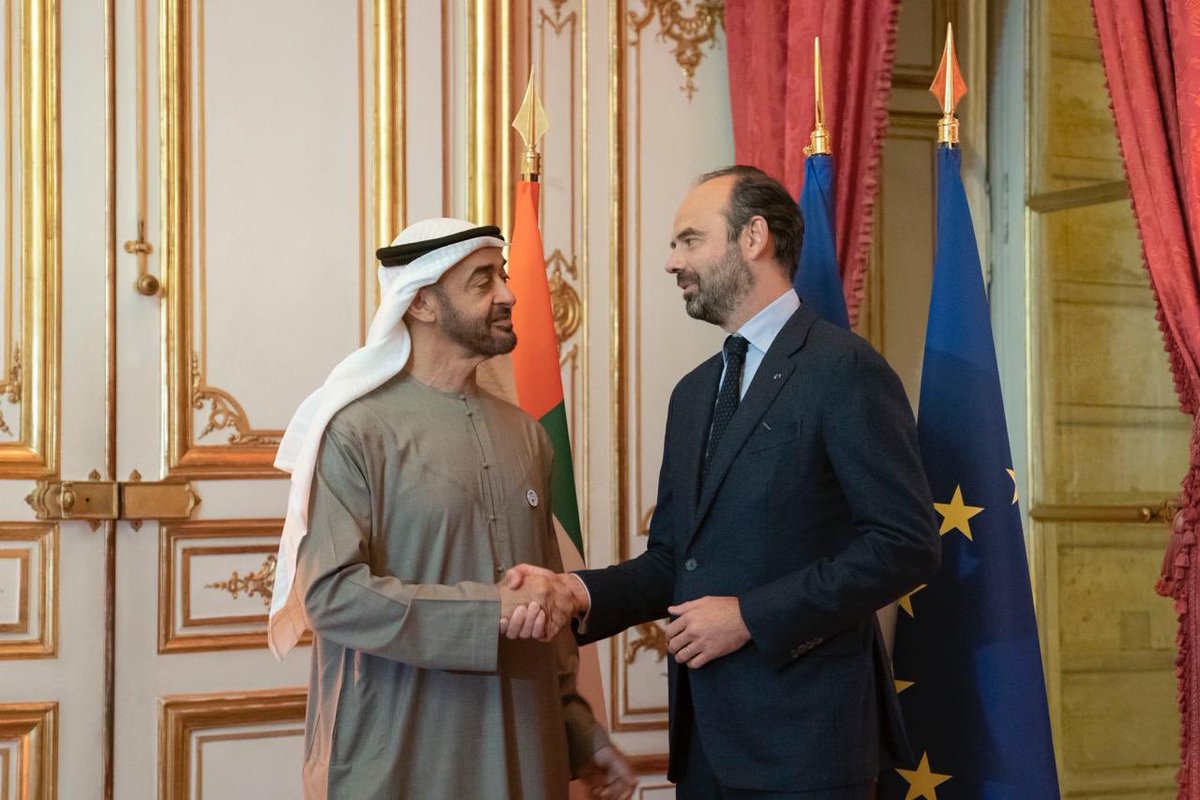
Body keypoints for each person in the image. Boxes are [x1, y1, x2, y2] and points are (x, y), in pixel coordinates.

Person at [508, 166, 940, 799]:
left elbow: (905, 544)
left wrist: (749, 617)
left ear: (753, 237)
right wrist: (575, 591)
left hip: (809, 746)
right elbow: (674, 561)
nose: (671, 262)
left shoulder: (844, 369)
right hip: (706, 746)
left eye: (689, 240)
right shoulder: (693, 395)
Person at [267, 218, 636, 800]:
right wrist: (488, 611)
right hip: (400, 750)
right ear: (421, 304)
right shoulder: (352, 430)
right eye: (483, 281)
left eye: (504, 276)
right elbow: (332, 597)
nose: (509, 295)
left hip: (525, 744)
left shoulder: (526, 435)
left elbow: (547, 603)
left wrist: (579, 732)